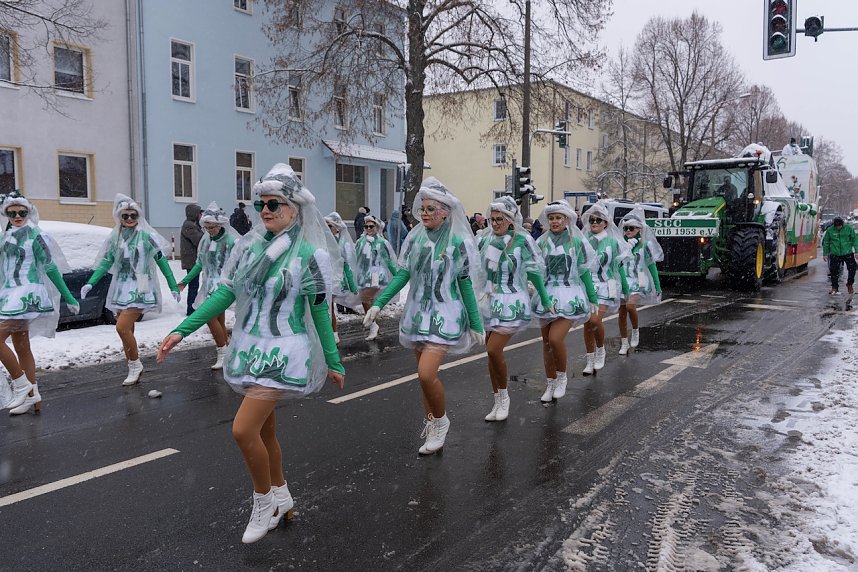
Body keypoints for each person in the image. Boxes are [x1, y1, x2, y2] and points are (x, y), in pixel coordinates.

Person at [157, 163, 345, 544]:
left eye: (274, 204)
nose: (266, 212)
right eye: (262, 204)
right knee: (264, 432)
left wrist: (334, 359)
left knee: (243, 431)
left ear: (295, 209)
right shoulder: (248, 248)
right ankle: (281, 495)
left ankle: (262, 502)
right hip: (250, 348)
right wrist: (182, 329)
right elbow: (225, 295)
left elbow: (320, 312)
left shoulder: (311, 256)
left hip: (285, 352)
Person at [363, 177, 483, 454]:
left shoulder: (458, 241)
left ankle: (441, 421)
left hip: (445, 314)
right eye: (423, 209)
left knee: (427, 373)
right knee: (422, 377)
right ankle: (431, 425)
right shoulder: (415, 237)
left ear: (445, 211)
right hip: (418, 314)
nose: (425, 213)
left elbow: (464, 283)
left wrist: (475, 321)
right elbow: (404, 273)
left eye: (431, 209)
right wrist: (379, 304)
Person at [82, 194, 180, 386]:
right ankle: (132, 366)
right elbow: (106, 262)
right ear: (119, 217)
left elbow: (162, 261)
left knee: (121, 327)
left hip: (141, 287)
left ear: (138, 217)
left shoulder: (146, 237)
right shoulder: (116, 237)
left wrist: (173, 285)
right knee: (128, 330)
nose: (128, 220)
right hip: (121, 287)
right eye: (124, 216)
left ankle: (136, 365)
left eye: (132, 216)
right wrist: (91, 282)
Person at [0, 192, 80, 414]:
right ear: (6, 214)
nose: (17, 216)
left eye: (22, 212)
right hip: (9, 295)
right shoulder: (4, 238)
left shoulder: (36, 235)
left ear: (29, 212)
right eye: (12, 212)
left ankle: (21, 384)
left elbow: (50, 267)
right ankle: (32, 398)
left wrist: (68, 296)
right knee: (21, 345)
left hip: (28, 293)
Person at [478, 196, 551, 421]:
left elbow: (533, 271)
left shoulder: (523, 240)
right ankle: (498, 398)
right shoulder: (483, 240)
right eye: (492, 219)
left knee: (493, 349)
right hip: (489, 300)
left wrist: (545, 298)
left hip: (512, 301)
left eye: (500, 219)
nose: (495, 223)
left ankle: (505, 397)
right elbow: (474, 270)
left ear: (510, 220)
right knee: (490, 354)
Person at [532, 200, 598, 402]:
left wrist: (592, 296)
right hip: (547, 294)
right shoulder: (541, 242)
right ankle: (550, 382)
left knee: (555, 338)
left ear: (567, 219)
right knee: (546, 343)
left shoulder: (577, 242)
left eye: (558, 218)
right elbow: (535, 270)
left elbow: (584, 271)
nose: (554, 221)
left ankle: (562, 377)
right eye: (551, 218)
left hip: (570, 293)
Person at [177, 202, 239, 369]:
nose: (209, 231)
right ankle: (226, 349)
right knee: (216, 319)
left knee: (209, 317)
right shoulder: (205, 241)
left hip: (225, 286)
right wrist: (185, 280)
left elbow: (240, 265)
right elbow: (199, 263)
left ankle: (223, 351)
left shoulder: (232, 241)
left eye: (212, 227)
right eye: (206, 227)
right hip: (209, 284)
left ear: (220, 225)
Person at [582, 201, 630, 374]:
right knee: (587, 324)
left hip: (606, 285)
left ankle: (600, 349)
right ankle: (589, 358)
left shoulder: (613, 242)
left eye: (598, 220)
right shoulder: (583, 240)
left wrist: (625, 288)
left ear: (606, 223)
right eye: (592, 220)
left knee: (594, 320)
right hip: (586, 286)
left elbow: (619, 267)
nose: (594, 223)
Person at [617, 209, 663, 355]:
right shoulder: (620, 245)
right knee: (622, 312)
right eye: (625, 228)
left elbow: (651, 265)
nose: (628, 231)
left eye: (631, 228)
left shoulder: (645, 245)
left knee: (631, 306)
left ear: (639, 229)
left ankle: (635, 330)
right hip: (623, 280)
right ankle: (624, 342)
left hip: (638, 280)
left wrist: (657, 284)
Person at [354, 214, 397, 341]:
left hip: (377, 274)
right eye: (366, 226)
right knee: (367, 300)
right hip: (364, 274)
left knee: (366, 297)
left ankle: (373, 325)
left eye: (371, 226)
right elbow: (355, 259)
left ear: (377, 227)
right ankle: (374, 323)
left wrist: (397, 276)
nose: (368, 228)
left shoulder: (382, 243)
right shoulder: (360, 242)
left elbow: (389, 260)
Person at [324, 211, 360, 344]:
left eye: (329, 226)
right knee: (325, 308)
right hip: (321, 278)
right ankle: (328, 334)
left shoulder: (341, 245)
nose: (326, 229)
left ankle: (333, 334)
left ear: (336, 229)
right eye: (325, 226)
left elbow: (347, 266)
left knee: (329, 308)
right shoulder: (321, 240)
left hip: (333, 280)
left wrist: (352, 285)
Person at [822, 217, 858, 295]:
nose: (838, 227)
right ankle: (834, 288)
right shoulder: (830, 230)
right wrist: (825, 254)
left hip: (847, 252)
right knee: (833, 271)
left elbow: (855, 239)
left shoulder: (848, 228)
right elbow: (826, 242)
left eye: (840, 226)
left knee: (852, 268)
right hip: (835, 253)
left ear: (842, 224)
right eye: (836, 226)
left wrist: (856, 251)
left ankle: (849, 284)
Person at [180, 203, 203, 316]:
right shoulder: (189, 225)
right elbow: (199, 240)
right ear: (194, 214)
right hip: (191, 261)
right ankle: (191, 309)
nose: (200, 215)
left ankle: (192, 306)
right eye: (199, 213)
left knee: (194, 284)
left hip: (192, 259)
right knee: (193, 285)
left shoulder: (192, 224)